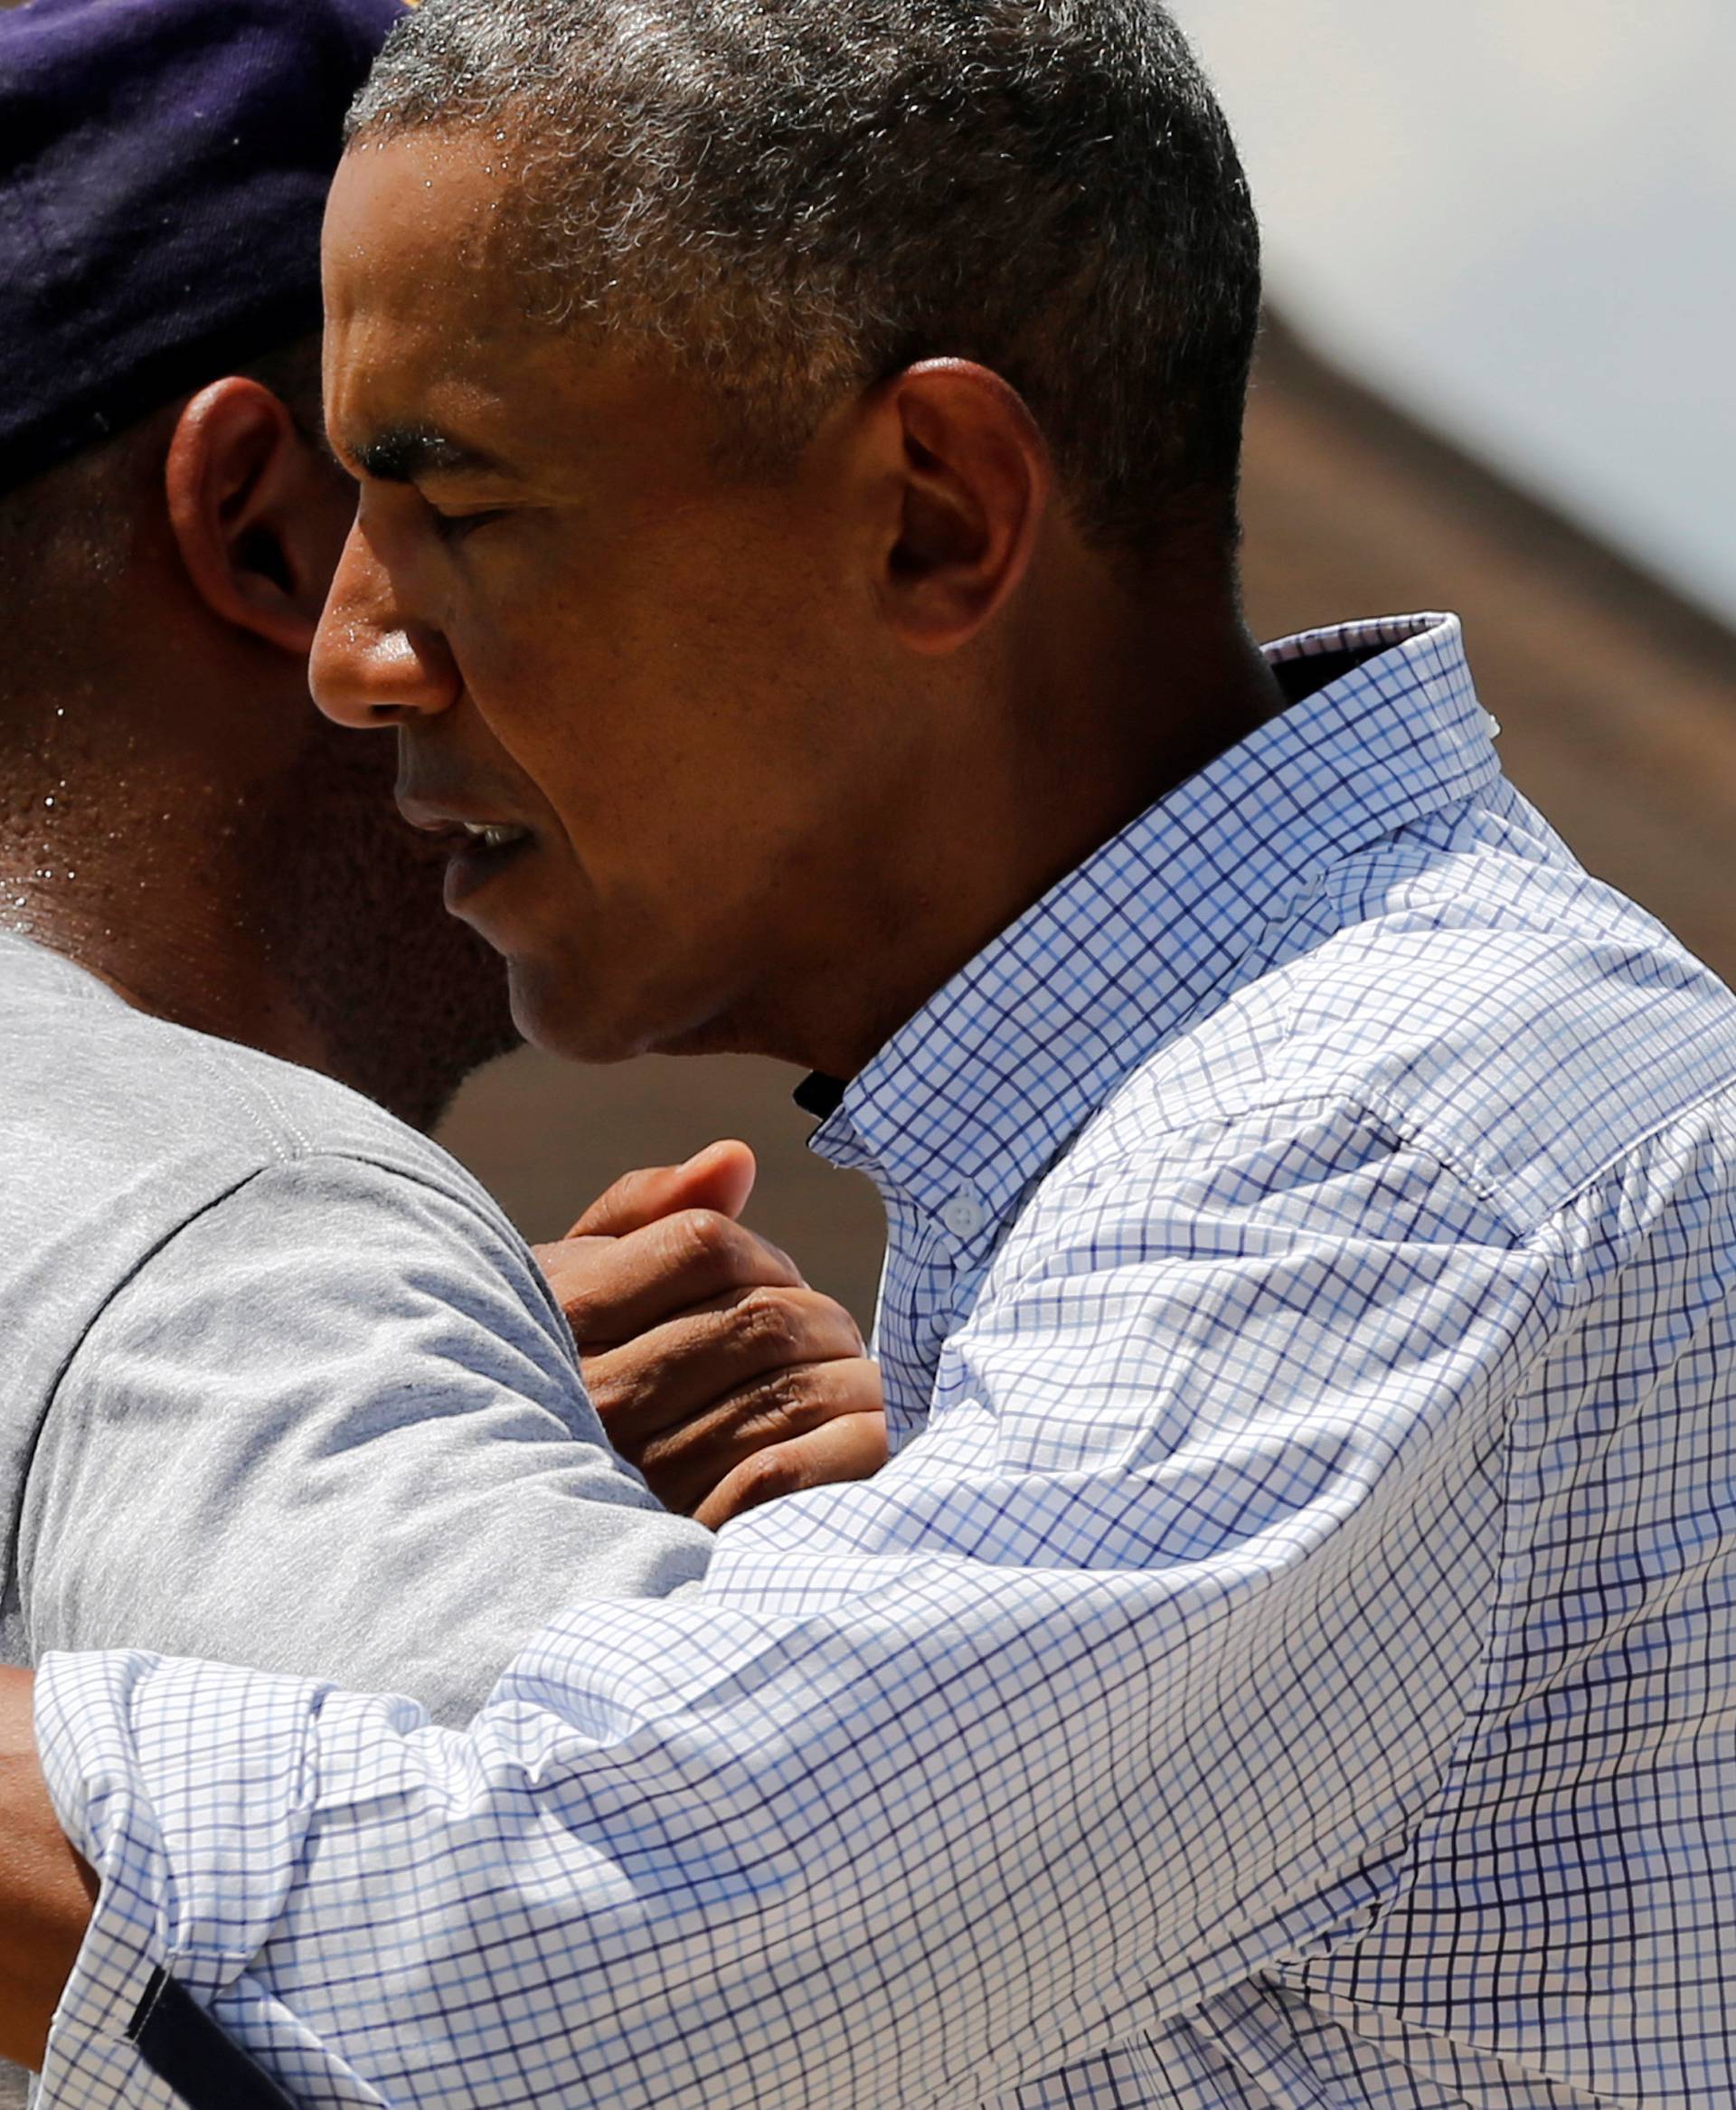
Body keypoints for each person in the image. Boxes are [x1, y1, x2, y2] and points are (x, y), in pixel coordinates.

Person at [8, 0, 1736, 2104]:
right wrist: (892, 1568)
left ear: (933, 513)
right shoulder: (1288, 1165)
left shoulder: (1389, 1159)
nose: (361, 654)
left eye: (455, 500)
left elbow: (550, 1965)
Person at [0, 17, 883, 2092]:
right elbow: (727, 2016)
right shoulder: (237, 1240)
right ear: (272, 539)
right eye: (507, 492)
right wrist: (910, 1636)